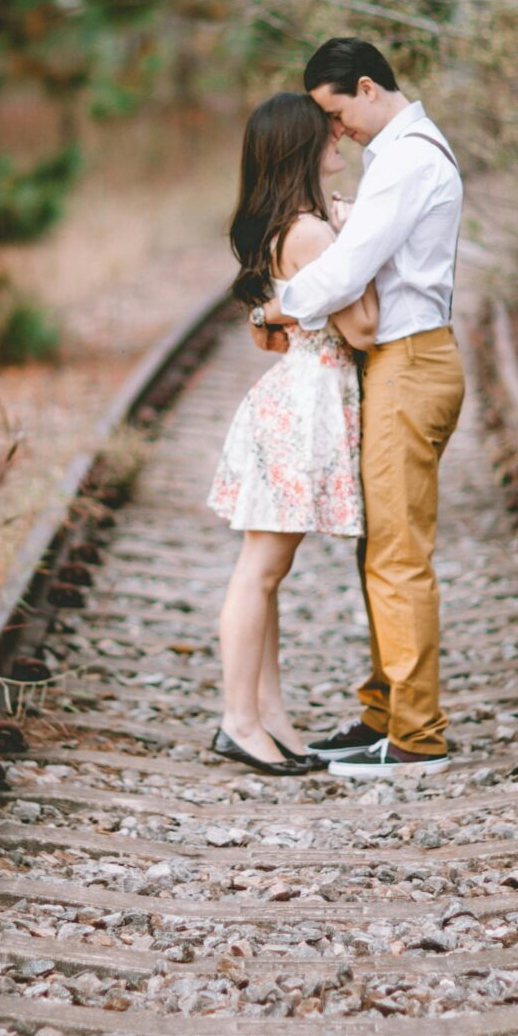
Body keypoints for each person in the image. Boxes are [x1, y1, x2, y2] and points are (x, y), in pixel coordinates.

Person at [253, 39, 464, 781]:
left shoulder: (406, 158)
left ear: (366, 87)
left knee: (397, 553)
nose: (333, 132)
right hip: (398, 364)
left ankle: (414, 737)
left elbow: (346, 271)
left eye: (334, 112)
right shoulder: (396, 156)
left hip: (410, 363)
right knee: (378, 546)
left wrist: (279, 305)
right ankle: (383, 712)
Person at [207, 94, 380, 778]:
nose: (337, 136)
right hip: (303, 405)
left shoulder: (288, 226)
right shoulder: (311, 231)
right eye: (326, 131)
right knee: (260, 570)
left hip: (294, 397)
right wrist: (353, 235)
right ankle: (238, 720)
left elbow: (277, 332)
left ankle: (269, 717)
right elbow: (362, 329)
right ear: (300, 148)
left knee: (267, 572)